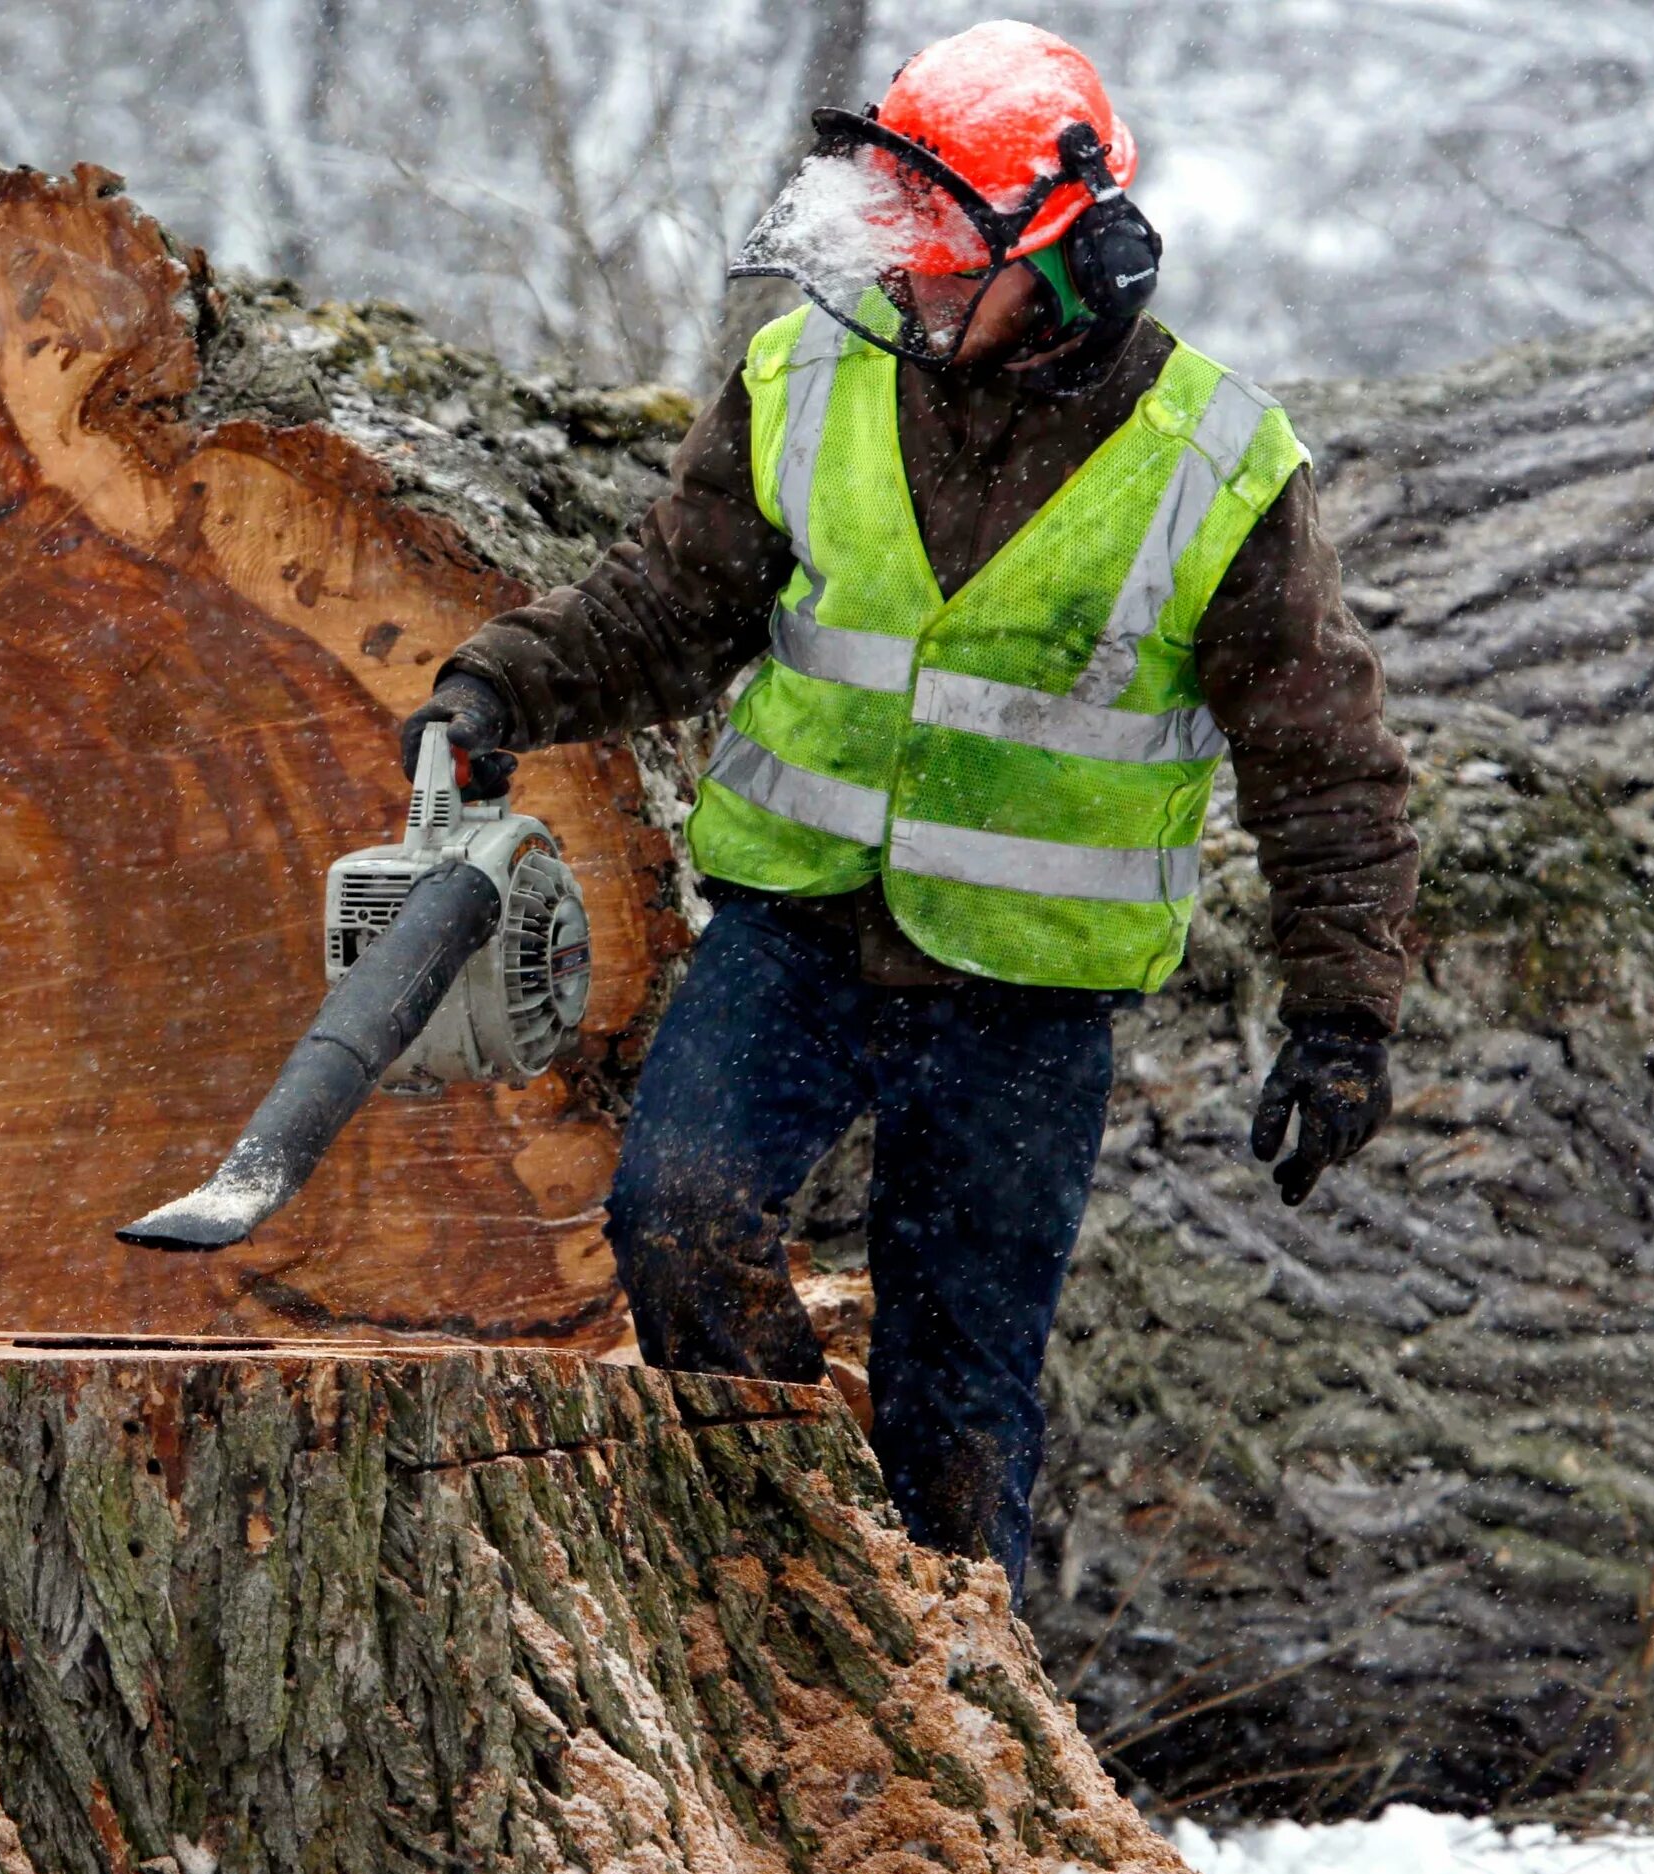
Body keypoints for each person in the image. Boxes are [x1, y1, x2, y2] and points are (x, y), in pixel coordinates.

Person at [399, 21, 1415, 1595]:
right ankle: (777, 1580)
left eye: (957, 264)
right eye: (905, 253)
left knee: (962, 1397)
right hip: (795, 926)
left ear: (1076, 253)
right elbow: (674, 603)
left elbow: (1324, 759)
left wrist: (1344, 1014)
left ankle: (953, 1680)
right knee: (676, 1217)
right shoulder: (809, 371)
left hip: (1028, 991)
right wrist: (501, 689)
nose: (918, 291)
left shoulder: (1214, 461)